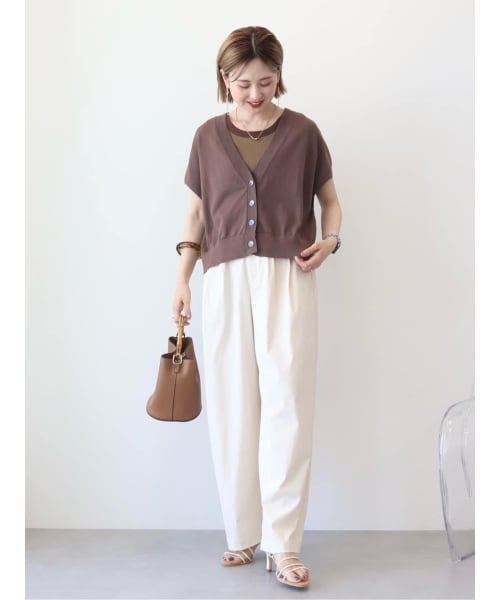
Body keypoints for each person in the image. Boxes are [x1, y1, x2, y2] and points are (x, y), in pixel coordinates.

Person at [171, 25, 342, 590]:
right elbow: (196, 215)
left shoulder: (304, 132)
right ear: (225, 78)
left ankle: (284, 544)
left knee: (287, 402)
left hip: (288, 274)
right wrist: (182, 279)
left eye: (266, 82)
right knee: (232, 402)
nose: (254, 93)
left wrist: (331, 240)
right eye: (242, 83)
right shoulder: (206, 136)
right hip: (222, 279)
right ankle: (243, 532)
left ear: (279, 76)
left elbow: (330, 201)